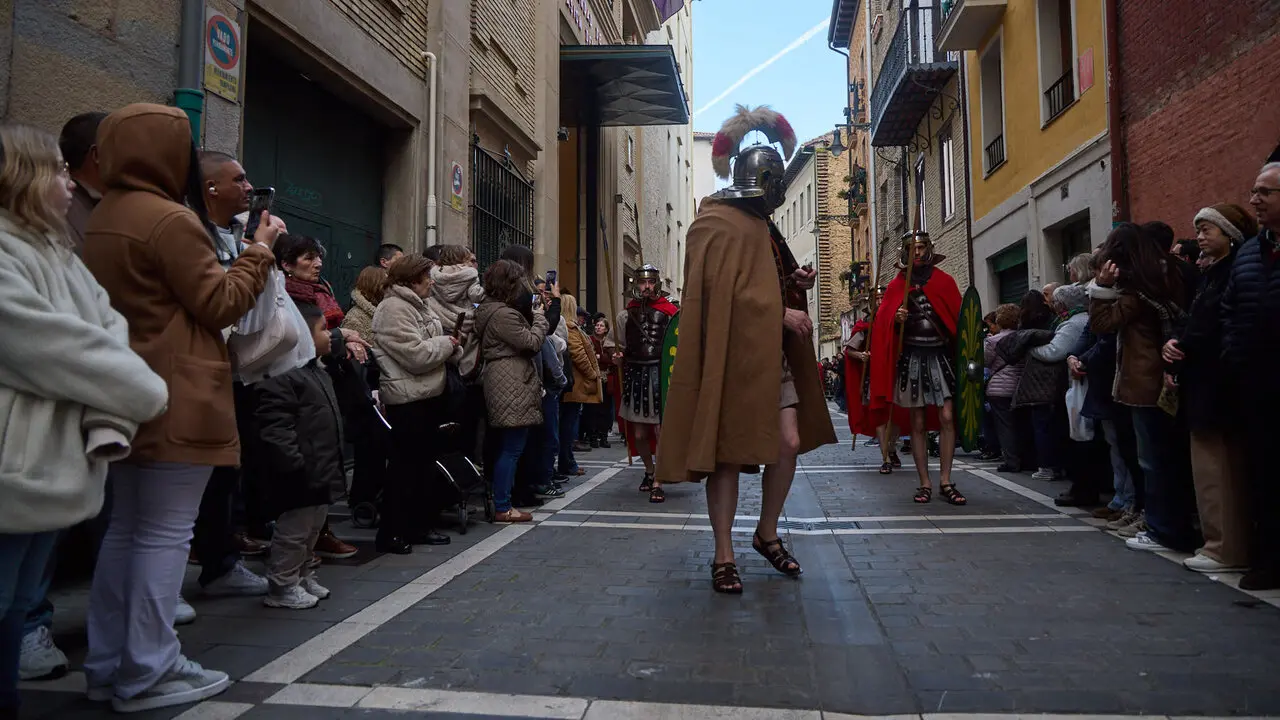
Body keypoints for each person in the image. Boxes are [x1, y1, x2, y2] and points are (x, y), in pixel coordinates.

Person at [82, 103, 276, 712]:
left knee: (126, 530)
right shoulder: (169, 220)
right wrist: (258, 251)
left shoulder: (105, 215)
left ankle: (111, 662)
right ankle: (149, 668)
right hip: (179, 391)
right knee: (165, 534)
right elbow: (219, 304)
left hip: (126, 388)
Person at [0, 122, 169, 720]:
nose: (71, 185)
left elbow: (107, 327)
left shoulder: (59, 254)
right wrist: (138, 390)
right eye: (58, 173)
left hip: (55, 465)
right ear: (22, 178)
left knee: (18, 599)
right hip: (13, 464)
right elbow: (52, 346)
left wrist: (107, 396)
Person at [656, 105, 836, 593]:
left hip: (768, 356)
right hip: (730, 357)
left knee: (789, 443)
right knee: (728, 454)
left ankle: (766, 532)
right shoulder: (713, 222)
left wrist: (793, 284)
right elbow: (713, 294)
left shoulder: (764, 227)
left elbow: (762, 282)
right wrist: (777, 312)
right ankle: (723, 554)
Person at [18, 110, 112, 683]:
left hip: (84, 403)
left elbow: (104, 312)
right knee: (29, 536)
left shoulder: (74, 232)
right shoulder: (28, 247)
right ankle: (29, 623)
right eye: (56, 171)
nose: (68, 182)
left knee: (76, 516)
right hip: (36, 412)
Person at [1089, 222, 1197, 555]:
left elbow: (1102, 324)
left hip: (1145, 381)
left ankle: (1161, 526)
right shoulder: (1166, 280)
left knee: (1152, 459)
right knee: (1164, 457)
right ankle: (1164, 523)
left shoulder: (1137, 293)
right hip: (1160, 378)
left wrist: (1101, 288)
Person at [1163, 203, 1256, 574]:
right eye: (1198, 230)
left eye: (1207, 230)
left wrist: (1182, 348)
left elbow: (1213, 327)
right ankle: (1219, 543)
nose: (1199, 237)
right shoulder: (1214, 275)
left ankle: (1224, 547)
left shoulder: (1228, 274)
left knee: (1218, 469)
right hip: (1205, 382)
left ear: (1229, 236)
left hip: (1217, 385)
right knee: (1210, 468)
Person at [278, 234, 365, 560]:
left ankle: (316, 536)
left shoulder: (320, 292)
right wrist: (343, 337)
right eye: (307, 259)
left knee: (326, 460)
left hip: (326, 381)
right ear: (286, 264)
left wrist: (340, 339)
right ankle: (294, 552)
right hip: (297, 384)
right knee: (306, 467)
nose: (316, 265)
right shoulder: (284, 297)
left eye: (318, 258)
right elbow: (303, 339)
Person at [371, 254, 462, 553]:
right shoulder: (393, 309)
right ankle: (393, 532)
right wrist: (448, 345)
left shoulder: (419, 305)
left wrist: (451, 344)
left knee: (423, 466)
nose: (431, 282)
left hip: (428, 396)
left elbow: (432, 345)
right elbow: (416, 355)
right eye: (426, 277)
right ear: (411, 279)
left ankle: (419, 525)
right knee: (404, 469)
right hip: (408, 399)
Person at [255, 303, 343, 608]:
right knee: (294, 531)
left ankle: (303, 574)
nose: (330, 334)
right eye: (322, 329)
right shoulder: (284, 375)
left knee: (312, 529)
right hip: (301, 469)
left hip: (319, 466)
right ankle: (282, 583)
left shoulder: (316, 371)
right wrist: (292, 462)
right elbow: (276, 426)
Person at [869, 232, 966, 506]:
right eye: (913, 248)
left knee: (948, 416)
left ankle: (946, 480)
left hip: (940, 356)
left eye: (922, 247)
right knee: (918, 422)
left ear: (929, 249)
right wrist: (896, 318)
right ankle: (924, 482)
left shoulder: (944, 281)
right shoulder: (897, 285)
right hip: (912, 357)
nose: (918, 253)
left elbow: (957, 319)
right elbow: (883, 323)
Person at [1220, 162, 1280, 590]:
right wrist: (1235, 354)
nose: (1255, 199)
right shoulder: (1249, 253)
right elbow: (1230, 309)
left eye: (1265, 192)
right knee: (1265, 474)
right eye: (1254, 190)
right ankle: (1270, 560)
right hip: (1257, 382)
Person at [475, 259, 550, 524]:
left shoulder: (489, 309)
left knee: (507, 446)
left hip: (503, 377)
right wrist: (540, 319)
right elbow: (530, 343)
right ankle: (503, 505)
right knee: (512, 447)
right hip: (510, 380)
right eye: (517, 280)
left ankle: (502, 500)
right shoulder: (503, 314)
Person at [616, 264, 678, 500]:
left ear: (657, 284)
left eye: (651, 282)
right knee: (640, 434)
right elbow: (618, 344)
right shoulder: (626, 314)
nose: (647, 286)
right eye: (643, 282)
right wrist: (618, 357)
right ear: (636, 285)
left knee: (661, 431)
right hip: (636, 374)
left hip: (660, 374)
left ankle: (659, 481)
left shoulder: (670, 311)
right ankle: (649, 471)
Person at [559, 294, 602, 483]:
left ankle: (568, 461)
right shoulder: (570, 328)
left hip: (573, 384)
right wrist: (592, 373)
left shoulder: (571, 327)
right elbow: (578, 354)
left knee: (569, 423)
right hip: (574, 384)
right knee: (568, 425)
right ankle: (567, 462)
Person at [984, 303, 1025, 473]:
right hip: (1021, 386)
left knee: (1004, 426)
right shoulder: (1024, 337)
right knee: (1020, 425)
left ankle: (1011, 461)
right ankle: (1025, 458)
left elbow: (985, 361)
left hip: (999, 388)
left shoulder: (993, 341)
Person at [586, 315, 618, 448]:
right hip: (594, 377)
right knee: (593, 408)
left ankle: (604, 435)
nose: (598, 327)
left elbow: (613, 359)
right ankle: (593, 436)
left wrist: (602, 357)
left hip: (607, 378)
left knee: (605, 408)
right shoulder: (590, 340)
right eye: (597, 325)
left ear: (606, 329)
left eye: (601, 326)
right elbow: (590, 356)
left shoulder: (609, 343)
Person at [342, 266, 387, 342]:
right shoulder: (354, 319)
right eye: (385, 286)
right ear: (374, 287)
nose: (389, 289)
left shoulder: (387, 311)